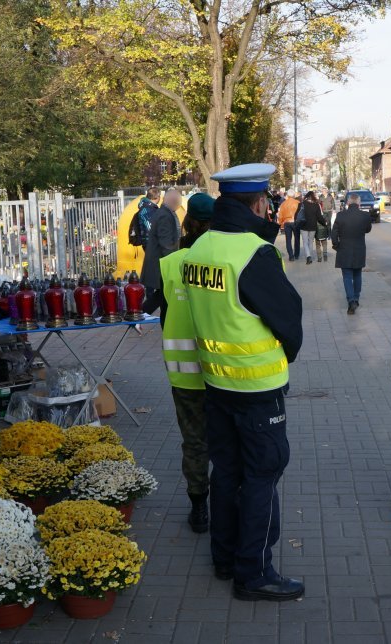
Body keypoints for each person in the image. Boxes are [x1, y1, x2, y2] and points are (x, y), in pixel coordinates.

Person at [183, 163, 304, 601]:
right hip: (257, 391)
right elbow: (288, 319)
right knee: (261, 478)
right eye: (266, 203)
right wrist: (285, 355)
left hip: (216, 384)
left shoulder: (199, 249)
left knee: (226, 473)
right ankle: (254, 573)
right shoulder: (255, 253)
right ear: (257, 204)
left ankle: (225, 557)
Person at [156, 193, 215, 533]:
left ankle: (199, 507)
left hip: (183, 374)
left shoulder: (170, 263)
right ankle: (227, 504)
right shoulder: (222, 262)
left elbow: (164, 318)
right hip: (223, 372)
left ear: (187, 221)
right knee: (225, 441)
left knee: (194, 442)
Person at [332, 192, 373, 314]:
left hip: (344, 249)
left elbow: (334, 233)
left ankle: (351, 301)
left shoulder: (340, 215)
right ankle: (356, 298)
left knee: (347, 276)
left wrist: (336, 245)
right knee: (357, 275)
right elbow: (368, 229)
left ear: (348, 203)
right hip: (359, 249)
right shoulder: (365, 215)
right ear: (359, 203)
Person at [141, 188, 181, 299]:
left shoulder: (163, 212)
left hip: (158, 264)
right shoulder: (165, 215)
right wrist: (174, 265)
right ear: (174, 202)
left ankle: (145, 309)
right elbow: (167, 244)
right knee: (160, 298)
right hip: (160, 266)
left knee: (158, 299)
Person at [299, 191, 327, 265]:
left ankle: (308, 256)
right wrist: (324, 223)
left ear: (307, 196)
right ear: (313, 196)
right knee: (311, 241)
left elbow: (297, 215)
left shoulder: (302, 204)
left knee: (305, 242)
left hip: (303, 225)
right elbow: (319, 217)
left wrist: (297, 222)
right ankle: (310, 256)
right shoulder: (316, 205)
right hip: (313, 226)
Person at [277, 190, 301, 261]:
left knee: (288, 240)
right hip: (296, 222)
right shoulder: (298, 203)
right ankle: (296, 255)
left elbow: (280, 215)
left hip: (286, 222)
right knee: (297, 239)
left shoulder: (283, 204)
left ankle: (291, 256)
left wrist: (280, 224)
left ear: (287, 195)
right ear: (294, 195)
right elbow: (301, 213)